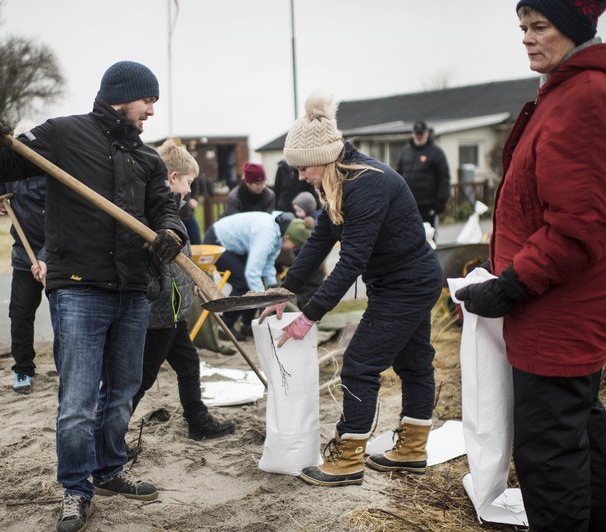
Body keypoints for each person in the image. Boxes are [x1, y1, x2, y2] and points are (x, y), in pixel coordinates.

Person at [0, 60, 186, 532]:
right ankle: (75, 489)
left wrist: (171, 230)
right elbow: (4, 163)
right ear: (123, 95)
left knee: (122, 393)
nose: (151, 110)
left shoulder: (147, 159)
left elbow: (165, 206)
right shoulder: (64, 135)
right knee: (78, 401)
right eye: (148, 100)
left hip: (132, 289)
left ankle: (109, 469)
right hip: (80, 288)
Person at [455, 2, 606, 530]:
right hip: (568, 306)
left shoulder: (588, 98)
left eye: (540, 28)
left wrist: (510, 287)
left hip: (559, 311)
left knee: (548, 455)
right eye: (523, 29)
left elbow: (579, 226)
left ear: (576, 28)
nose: (528, 40)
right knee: (580, 427)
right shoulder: (574, 89)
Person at [259, 91, 443, 487]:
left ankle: (348, 457)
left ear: (323, 157)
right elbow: (319, 243)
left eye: (304, 168)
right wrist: (284, 292)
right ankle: (412, 451)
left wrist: (309, 316)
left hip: (408, 284)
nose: (300, 176)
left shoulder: (367, 184)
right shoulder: (337, 183)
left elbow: (351, 261)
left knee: (360, 363)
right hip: (397, 282)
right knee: (413, 363)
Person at [130, 137, 236, 447]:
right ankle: (110, 433)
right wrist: (159, 289)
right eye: (188, 182)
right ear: (173, 178)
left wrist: (189, 282)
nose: (190, 190)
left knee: (189, 365)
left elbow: (181, 257)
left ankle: (198, 419)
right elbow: (143, 261)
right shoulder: (152, 211)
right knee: (142, 377)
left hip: (174, 311)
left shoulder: (172, 209)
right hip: (158, 312)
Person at [0, 121, 47, 394]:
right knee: (20, 314)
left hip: (57, 256)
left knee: (65, 317)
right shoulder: (12, 168)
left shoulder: (52, 173)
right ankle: (23, 369)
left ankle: (73, 368)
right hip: (24, 257)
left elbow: (65, 224)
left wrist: (46, 258)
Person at [204, 210, 311, 341]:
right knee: (244, 284)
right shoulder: (267, 233)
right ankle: (225, 326)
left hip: (236, 247)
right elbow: (252, 272)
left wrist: (273, 288)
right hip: (217, 240)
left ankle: (247, 325)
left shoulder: (278, 234)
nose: (292, 248)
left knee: (256, 284)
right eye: (294, 244)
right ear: (288, 237)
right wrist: (264, 300)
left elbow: (268, 264)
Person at [396, 120, 450, 239]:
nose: (419, 136)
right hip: (409, 205)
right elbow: (398, 176)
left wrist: (440, 203)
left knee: (429, 238)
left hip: (429, 207)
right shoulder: (406, 152)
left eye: (422, 133)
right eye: (417, 133)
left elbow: (444, 178)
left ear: (427, 133)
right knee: (409, 237)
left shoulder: (436, 153)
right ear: (413, 133)